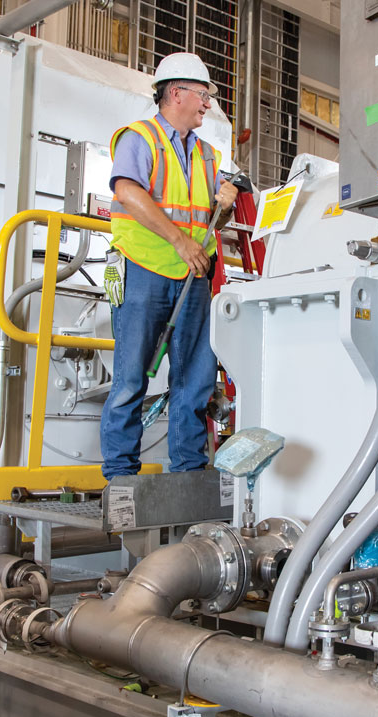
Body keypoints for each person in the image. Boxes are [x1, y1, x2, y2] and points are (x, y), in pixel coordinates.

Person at [100, 51, 239, 479]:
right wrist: (179, 240)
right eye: (203, 95)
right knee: (130, 378)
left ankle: (190, 472)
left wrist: (228, 203)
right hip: (144, 269)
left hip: (194, 274)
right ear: (175, 93)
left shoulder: (209, 155)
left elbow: (214, 217)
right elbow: (127, 190)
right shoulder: (139, 138)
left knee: (195, 378)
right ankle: (121, 475)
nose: (208, 104)